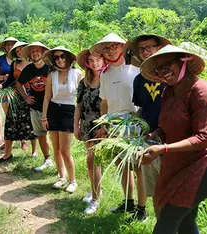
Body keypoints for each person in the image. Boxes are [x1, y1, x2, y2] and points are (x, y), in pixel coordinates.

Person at [140, 45, 207, 234]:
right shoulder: (168, 92)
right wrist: (155, 134)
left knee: (166, 222)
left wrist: (164, 149)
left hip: (200, 167)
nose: (164, 71)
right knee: (185, 222)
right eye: (159, 68)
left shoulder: (200, 91)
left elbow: (203, 138)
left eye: (168, 64)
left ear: (183, 61)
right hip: (176, 164)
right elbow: (168, 125)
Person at [90, 33, 140, 215]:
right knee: (122, 165)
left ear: (122, 47)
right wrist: (104, 124)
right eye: (106, 48)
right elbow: (104, 101)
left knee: (139, 167)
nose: (111, 51)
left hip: (136, 123)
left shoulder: (136, 69)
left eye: (114, 46)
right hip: (115, 125)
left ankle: (141, 209)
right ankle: (128, 202)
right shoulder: (105, 74)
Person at [123, 34, 171, 221]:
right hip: (149, 137)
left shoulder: (170, 76)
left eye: (149, 47)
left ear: (159, 48)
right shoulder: (139, 80)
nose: (145, 52)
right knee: (154, 186)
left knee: (171, 186)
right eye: (141, 49)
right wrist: (128, 126)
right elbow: (143, 107)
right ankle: (161, 224)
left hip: (172, 137)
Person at [41, 46, 82, 193]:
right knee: (56, 149)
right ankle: (61, 177)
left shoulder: (77, 74)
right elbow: (47, 97)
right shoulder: (52, 75)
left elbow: (82, 97)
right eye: (56, 57)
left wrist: (80, 118)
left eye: (62, 56)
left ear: (69, 58)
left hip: (69, 111)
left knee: (65, 151)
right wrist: (44, 117)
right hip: (53, 110)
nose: (59, 59)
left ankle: (73, 180)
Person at [0, 41, 38, 163]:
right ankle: (7, 154)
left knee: (31, 124)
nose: (19, 52)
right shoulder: (14, 64)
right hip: (15, 97)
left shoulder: (33, 63)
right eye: (17, 50)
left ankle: (34, 151)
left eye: (21, 49)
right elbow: (9, 81)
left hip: (31, 97)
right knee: (10, 123)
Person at [74, 49, 104, 213]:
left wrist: (104, 125)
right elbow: (79, 105)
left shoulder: (107, 79)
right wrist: (75, 125)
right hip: (86, 124)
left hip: (101, 126)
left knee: (94, 160)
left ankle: (95, 199)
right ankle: (96, 189)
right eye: (91, 60)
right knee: (91, 161)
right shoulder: (84, 81)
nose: (95, 63)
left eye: (98, 60)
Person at [17, 42, 53, 172]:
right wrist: (26, 97)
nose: (35, 53)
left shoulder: (51, 67)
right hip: (36, 107)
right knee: (41, 135)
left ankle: (62, 166)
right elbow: (19, 83)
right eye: (32, 52)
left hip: (53, 107)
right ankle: (47, 159)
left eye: (37, 51)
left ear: (43, 52)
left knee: (56, 136)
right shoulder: (28, 69)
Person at [0, 37, 20, 149]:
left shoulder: (20, 59)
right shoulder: (0, 59)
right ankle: (7, 139)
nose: (9, 46)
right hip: (5, 90)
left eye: (12, 44)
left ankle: (22, 139)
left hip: (19, 90)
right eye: (7, 45)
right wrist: (2, 77)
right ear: (5, 47)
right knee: (8, 115)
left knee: (19, 115)